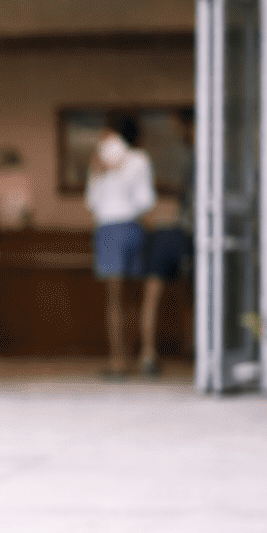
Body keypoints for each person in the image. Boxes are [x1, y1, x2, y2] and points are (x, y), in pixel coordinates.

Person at [85, 113, 156, 377]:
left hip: (108, 228)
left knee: (114, 299)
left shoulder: (98, 159)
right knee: (134, 297)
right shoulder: (140, 159)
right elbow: (145, 201)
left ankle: (118, 361)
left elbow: (91, 202)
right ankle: (141, 356)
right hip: (134, 227)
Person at [136, 110, 195, 376]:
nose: (175, 132)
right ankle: (155, 353)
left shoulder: (196, 157)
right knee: (190, 295)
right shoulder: (195, 157)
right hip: (180, 233)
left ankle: (151, 353)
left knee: (155, 297)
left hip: (171, 232)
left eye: (177, 126)